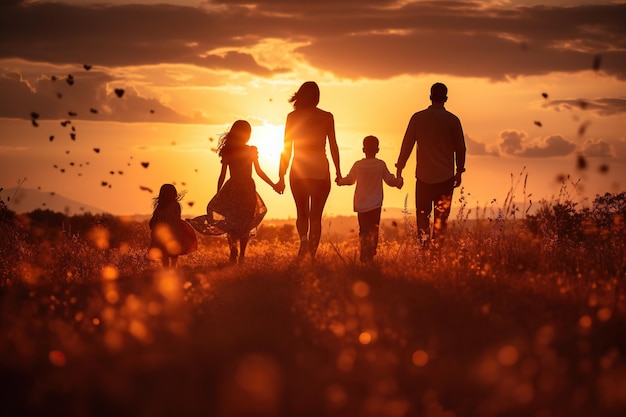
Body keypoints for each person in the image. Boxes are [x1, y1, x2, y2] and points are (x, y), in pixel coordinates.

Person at [188, 120, 278, 264]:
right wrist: (273, 184)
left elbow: (222, 175)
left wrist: (218, 194)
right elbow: (259, 172)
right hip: (247, 189)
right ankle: (241, 255)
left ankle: (233, 251)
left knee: (232, 223)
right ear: (246, 135)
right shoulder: (251, 150)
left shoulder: (229, 150)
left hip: (232, 188)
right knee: (246, 223)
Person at [276, 81, 342, 259]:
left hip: (299, 171)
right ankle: (311, 255)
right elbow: (333, 146)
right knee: (316, 217)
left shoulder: (293, 117)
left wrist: (281, 175)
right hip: (321, 170)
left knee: (302, 213)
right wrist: (338, 172)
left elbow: (286, 148)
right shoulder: (327, 116)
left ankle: (304, 239)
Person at [395, 82, 466, 245]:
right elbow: (461, 149)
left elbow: (406, 146)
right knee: (441, 221)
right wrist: (459, 171)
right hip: (445, 178)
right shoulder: (453, 120)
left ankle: (424, 253)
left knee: (422, 220)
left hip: (423, 178)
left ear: (430, 97)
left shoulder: (418, 118)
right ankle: (437, 257)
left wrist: (399, 169)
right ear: (446, 98)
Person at [337, 135, 403, 263]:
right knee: (373, 230)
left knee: (363, 231)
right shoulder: (380, 165)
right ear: (377, 150)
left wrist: (340, 180)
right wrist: (399, 182)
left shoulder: (358, 165)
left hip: (361, 205)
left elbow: (350, 180)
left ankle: (364, 254)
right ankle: (370, 254)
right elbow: (390, 180)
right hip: (375, 204)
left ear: (363, 149)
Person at [149, 183, 198, 268]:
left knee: (166, 250)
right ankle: (171, 268)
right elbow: (177, 217)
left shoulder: (162, 206)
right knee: (170, 250)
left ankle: (168, 268)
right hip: (171, 230)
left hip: (165, 231)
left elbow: (155, 217)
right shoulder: (171, 205)